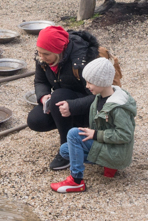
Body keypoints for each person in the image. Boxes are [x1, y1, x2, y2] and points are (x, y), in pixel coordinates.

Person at [51, 58, 136, 194]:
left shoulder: (118, 106)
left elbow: (125, 135)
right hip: (108, 146)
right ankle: (108, 165)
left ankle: (76, 181)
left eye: (90, 82)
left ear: (101, 81)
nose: (87, 86)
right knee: (65, 150)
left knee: (73, 134)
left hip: (116, 152)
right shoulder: (98, 98)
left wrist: (96, 134)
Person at [27, 26, 101, 171]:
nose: (41, 57)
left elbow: (99, 97)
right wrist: (43, 97)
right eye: (39, 53)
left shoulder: (83, 61)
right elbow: (40, 81)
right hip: (62, 103)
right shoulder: (43, 59)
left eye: (46, 54)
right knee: (35, 120)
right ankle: (69, 129)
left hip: (89, 108)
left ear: (59, 51)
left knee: (58, 96)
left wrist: (72, 106)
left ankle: (66, 148)